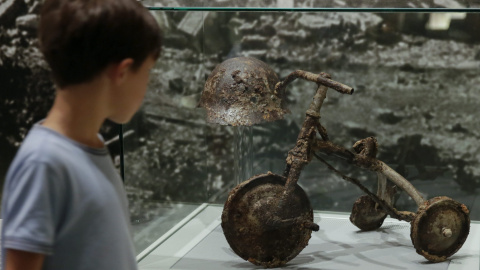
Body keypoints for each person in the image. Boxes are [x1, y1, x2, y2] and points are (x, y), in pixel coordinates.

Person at [1, 0, 162, 269]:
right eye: (147, 71)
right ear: (122, 72)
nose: (147, 84)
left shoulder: (92, 145)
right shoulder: (43, 163)